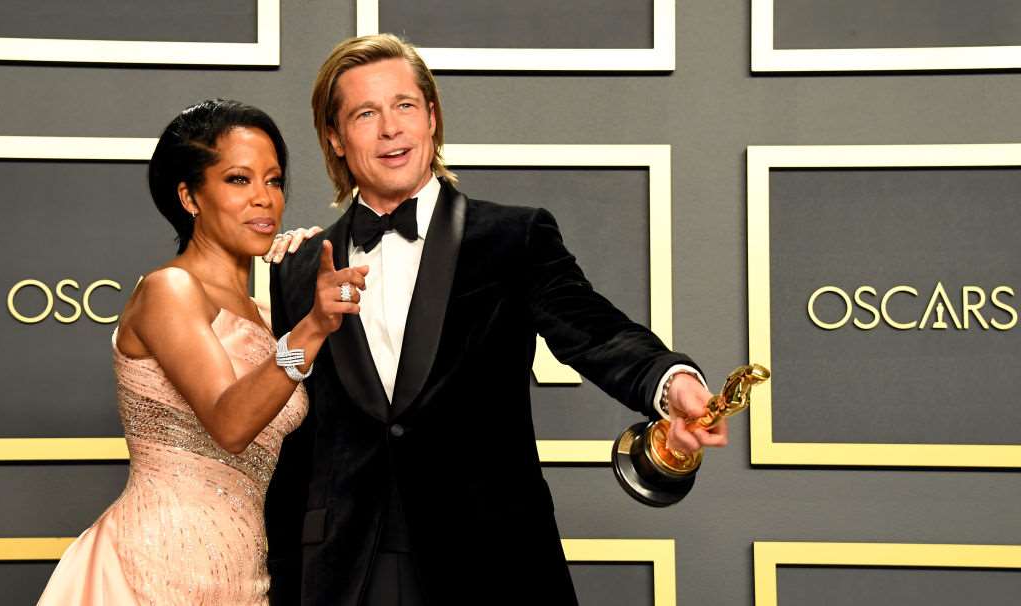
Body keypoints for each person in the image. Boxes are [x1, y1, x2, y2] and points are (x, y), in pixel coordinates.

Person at [264, 35, 729, 606]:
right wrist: (281, 572)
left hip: (489, 554)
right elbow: (293, 417)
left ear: (431, 117)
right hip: (346, 565)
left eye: (404, 105)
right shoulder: (298, 267)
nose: (390, 128)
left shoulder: (514, 236)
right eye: (365, 114)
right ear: (335, 137)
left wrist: (669, 382)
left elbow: (594, 329)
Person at [38, 99, 359, 605]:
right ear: (189, 196)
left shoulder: (268, 315)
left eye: (273, 181)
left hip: (243, 574)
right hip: (152, 570)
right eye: (238, 180)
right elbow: (230, 422)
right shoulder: (169, 290)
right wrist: (312, 327)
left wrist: (300, 282)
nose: (264, 199)